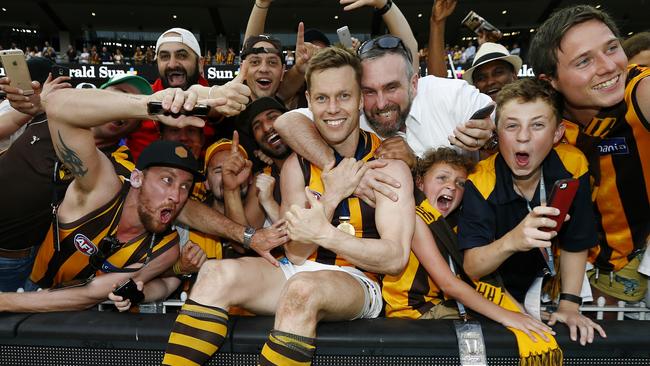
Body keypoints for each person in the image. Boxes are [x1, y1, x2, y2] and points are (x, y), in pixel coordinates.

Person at [161, 46, 414, 366]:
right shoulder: (298, 165)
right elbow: (294, 252)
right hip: (297, 269)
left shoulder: (388, 167)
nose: (333, 109)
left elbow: (394, 258)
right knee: (213, 273)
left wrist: (327, 233)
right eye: (322, 98)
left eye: (344, 97)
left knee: (303, 289)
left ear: (361, 99)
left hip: (360, 282)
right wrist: (333, 196)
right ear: (309, 101)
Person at [0, 82, 210, 311]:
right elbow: (58, 105)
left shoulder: (167, 248)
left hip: (68, 307)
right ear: (137, 178)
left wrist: (5, 302)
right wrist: (150, 105)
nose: (176, 195)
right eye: (167, 180)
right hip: (21, 271)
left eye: (185, 186)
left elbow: (91, 293)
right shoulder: (104, 187)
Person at [458, 78, 606, 345]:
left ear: (557, 133)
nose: (523, 136)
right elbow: (472, 267)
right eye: (511, 125)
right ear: (497, 133)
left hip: (545, 284)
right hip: (494, 292)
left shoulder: (573, 166)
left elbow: (576, 241)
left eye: (537, 125)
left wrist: (570, 306)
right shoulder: (479, 181)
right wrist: (513, 240)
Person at [529, 5, 650, 305]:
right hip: (570, 282)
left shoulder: (641, 91)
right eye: (584, 61)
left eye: (612, 48)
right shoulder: (542, 121)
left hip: (634, 275)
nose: (608, 66)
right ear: (551, 81)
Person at [0, 69, 149, 292]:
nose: (119, 108)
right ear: (95, 95)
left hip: (11, 259)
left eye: (129, 106)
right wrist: (31, 108)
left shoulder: (117, 161)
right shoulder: (44, 114)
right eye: (117, 95)